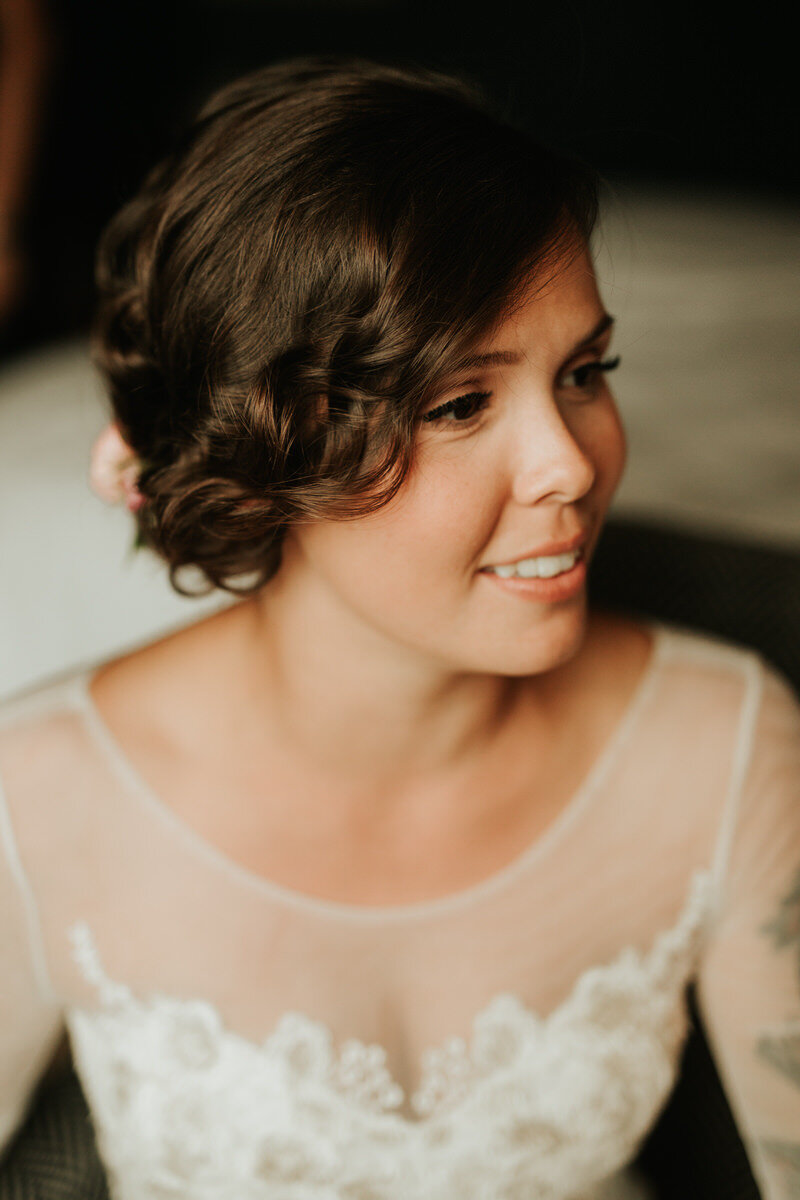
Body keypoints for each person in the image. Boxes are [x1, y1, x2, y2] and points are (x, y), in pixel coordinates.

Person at [0, 55, 798, 1200]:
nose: (569, 465)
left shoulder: (724, 743)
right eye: (460, 404)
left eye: (583, 371)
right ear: (265, 447)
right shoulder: (34, 796)